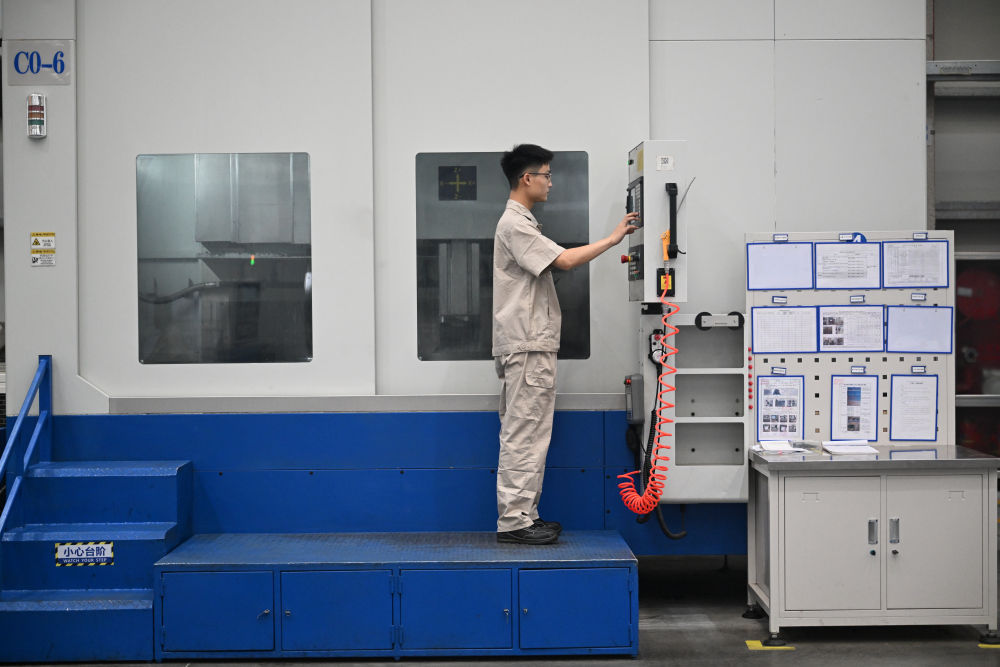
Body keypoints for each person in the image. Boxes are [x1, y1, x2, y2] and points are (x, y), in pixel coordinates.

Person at [492, 144, 639, 544]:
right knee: (524, 434)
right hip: (527, 347)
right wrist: (613, 238)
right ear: (527, 179)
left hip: (529, 345)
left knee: (531, 433)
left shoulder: (522, 223)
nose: (550, 183)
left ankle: (526, 515)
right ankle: (515, 521)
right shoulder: (515, 225)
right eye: (546, 175)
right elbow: (565, 261)